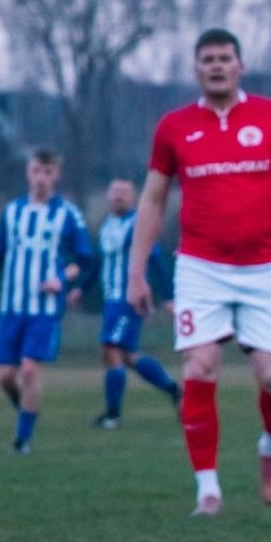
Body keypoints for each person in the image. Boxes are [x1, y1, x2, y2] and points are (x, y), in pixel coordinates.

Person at [128, 28, 271, 516]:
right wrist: (136, 271)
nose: (217, 65)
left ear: (240, 66)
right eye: (208, 59)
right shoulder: (174, 127)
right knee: (200, 365)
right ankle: (208, 490)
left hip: (266, 268)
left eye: (225, 58)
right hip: (200, 267)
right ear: (196, 69)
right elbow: (153, 199)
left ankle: (270, 446)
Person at [0, 148, 94, 454]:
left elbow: (84, 260)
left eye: (48, 172)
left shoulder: (67, 214)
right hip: (11, 307)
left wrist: (60, 279)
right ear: (28, 172)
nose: (41, 178)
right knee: (4, 376)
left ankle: (22, 439)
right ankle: (28, 411)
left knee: (28, 370)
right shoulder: (12, 211)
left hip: (44, 310)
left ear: (56, 176)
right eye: (37, 171)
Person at [71, 177, 180, 428]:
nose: (118, 196)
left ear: (134, 197)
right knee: (128, 356)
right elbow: (99, 263)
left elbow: (155, 260)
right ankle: (174, 390)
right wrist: (82, 289)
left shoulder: (137, 225)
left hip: (129, 300)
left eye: (124, 192)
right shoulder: (107, 226)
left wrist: (168, 297)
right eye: (114, 191)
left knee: (110, 349)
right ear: (108, 195)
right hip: (111, 302)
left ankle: (113, 415)